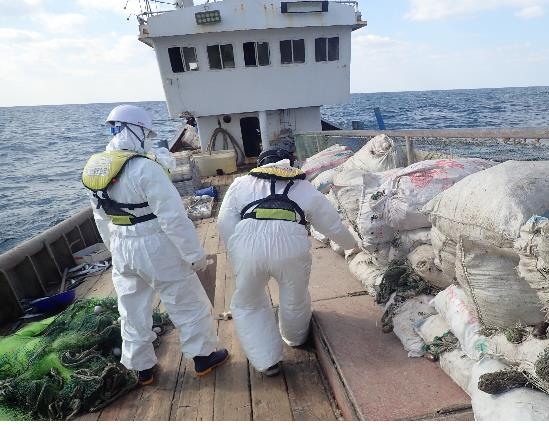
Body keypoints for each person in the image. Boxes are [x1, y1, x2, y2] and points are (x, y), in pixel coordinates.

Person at [82, 104, 228, 385]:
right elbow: (173, 217)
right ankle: (203, 357)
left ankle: (142, 368)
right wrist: (194, 254)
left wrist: (115, 250)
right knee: (185, 300)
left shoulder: (96, 168)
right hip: (154, 243)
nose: (148, 137)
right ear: (136, 130)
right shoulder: (146, 168)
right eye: (146, 132)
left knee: (132, 309)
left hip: (121, 243)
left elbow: (100, 217)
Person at [217, 145, 358, 377]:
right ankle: (294, 339)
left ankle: (267, 362)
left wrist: (236, 253)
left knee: (248, 303)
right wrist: (350, 244)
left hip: (247, 244)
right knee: (295, 298)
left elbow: (224, 221)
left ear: (260, 164)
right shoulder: (305, 187)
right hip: (292, 245)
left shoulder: (240, 184)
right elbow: (331, 225)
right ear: (290, 165)